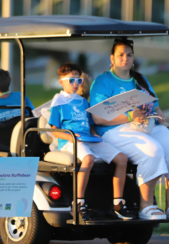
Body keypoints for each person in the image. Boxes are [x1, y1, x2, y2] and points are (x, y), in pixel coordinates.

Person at [89, 38, 169, 220]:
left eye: (129, 55)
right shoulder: (102, 82)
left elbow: (156, 105)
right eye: (120, 55)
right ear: (112, 58)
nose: (125, 58)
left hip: (147, 125)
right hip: (115, 130)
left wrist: (160, 117)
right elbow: (98, 117)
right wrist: (130, 116)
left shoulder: (141, 80)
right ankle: (146, 206)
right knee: (152, 149)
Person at [48, 62, 135, 221]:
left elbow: (90, 126)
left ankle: (118, 204)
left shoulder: (83, 102)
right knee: (88, 159)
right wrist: (73, 138)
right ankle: (79, 203)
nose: (75, 84)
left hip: (88, 139)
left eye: (78, 81)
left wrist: (97, 136)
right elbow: (54, 130)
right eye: (71, 80)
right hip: (70, 141)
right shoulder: (59, 101)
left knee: (122, 159)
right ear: (61, 82)